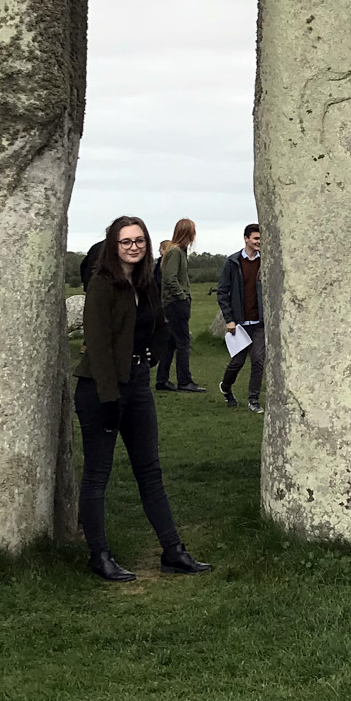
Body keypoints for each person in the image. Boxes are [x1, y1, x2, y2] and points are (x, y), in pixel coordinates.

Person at [74, 215, 212, 582]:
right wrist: (108, 397)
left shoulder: (146, 281)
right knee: (97, 475)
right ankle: (99, 555)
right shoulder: (102, 284)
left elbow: (162, 326)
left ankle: (173, 551)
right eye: (125, 242)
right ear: (112, 246)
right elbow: (99, 345)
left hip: (136, 385)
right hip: (100, 389)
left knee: (150, 471)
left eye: (139, 241)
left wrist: (150, 355)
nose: (133, 247)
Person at [218, 223, 265, 413]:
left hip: (259, 322)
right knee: (237, 362)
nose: (258, 242)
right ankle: (226, 388)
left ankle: (253, 400)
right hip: (239, 322)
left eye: (261, 239)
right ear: (246, 239)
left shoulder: (266, 261)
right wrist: (229, 319)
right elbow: (222, 292)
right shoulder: (232, 262)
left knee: (258, 360)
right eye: (255, 238)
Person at [154, 220, 203, 393]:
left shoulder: (179, 251)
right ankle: (185, 381)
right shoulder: (175, 252)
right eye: (193, 230)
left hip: (174, 302)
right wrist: (182, 297)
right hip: (175, 303)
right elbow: (169, 278)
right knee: (183, 342)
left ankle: (162, 380)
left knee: (171, 343)